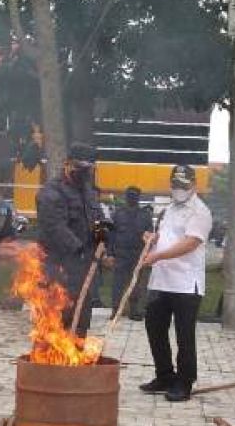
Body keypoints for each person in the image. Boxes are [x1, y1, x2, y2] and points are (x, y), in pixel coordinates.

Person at [139, 165, 213, 402]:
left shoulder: (200, 211)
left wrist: (158, 256)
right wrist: (152, 240)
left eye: (183, 186)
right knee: (154, 328)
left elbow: (190, 243)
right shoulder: (168, 209)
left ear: (194, 185)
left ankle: (184, 381)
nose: (178, 190)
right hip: (161, 280)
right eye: (175, 185)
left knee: (184, 335)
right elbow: (167, 236)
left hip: (185, 283)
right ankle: (164, 375)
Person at [36, 142, 107, 336]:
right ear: (68, 164)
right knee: (56, 323)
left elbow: (98, 219)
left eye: (90, 169)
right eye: (82, 168)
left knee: (80, 322)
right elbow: (55, 227)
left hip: (83, 271)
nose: (86, 173)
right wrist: (81, 250)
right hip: (58, 269)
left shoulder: (88, 192)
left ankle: (77, 360)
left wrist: (102, 239)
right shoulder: (51, 192)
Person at [109, 186, 155, 321]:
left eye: (135, 195)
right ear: (125, 196)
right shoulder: (117, 214)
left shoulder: (145, 215)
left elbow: (150, 236)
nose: (132, 197)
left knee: (136, 283)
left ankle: (134, 310)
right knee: (118, 283)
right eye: (129, 194)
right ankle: (116, 310)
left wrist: (148, 253)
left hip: (138, 254)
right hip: (121, 254)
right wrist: (110, 253)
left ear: (138, 197)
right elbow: (111, 235)